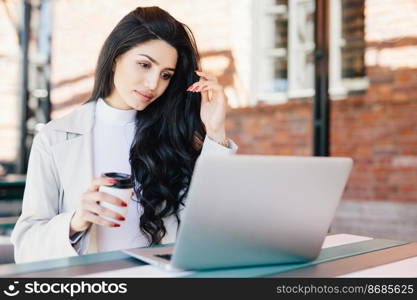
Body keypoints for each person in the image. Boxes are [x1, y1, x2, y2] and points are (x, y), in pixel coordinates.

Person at [11, 6, 237, 263]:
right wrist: (75, 221)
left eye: (166, 75)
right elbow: (25, 248)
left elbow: (215, 226)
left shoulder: (176, 137)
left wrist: (215, 132)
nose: (153, 84)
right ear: (116, 56)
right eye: (144, 65)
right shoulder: (55, 138)